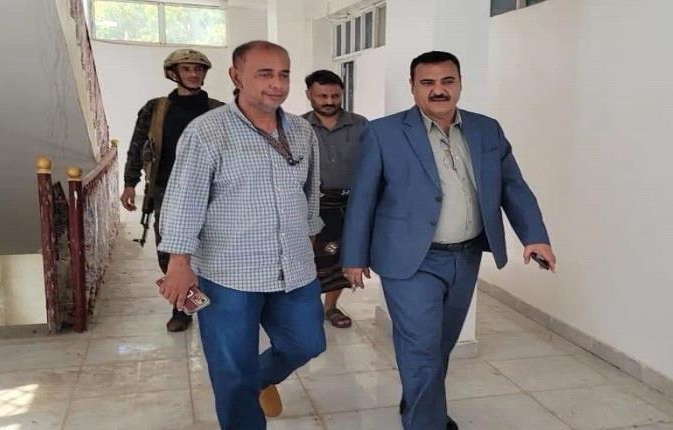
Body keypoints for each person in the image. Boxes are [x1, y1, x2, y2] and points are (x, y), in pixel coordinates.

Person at [341, 51, 557, 430]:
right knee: (421, 348)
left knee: (440, 344)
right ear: (412, 87)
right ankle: (427, 422)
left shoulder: (486, 129)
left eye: (447, 81)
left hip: (466, 256)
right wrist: (354, 256)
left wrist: (534, 236)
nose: (438, 90)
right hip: (410, 260)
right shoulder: (383, 133)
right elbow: (363, 198)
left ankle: (420, 406)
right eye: (427, 82)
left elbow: (513, 186)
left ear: (459, 83)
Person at [156, 41, 326, 430]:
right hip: (228, 274)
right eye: (265, 74)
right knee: (232, 370)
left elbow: (310, 193)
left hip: (294, 269)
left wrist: (310, 238)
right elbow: (184, 199)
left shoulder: (302, 131)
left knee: (308, 343)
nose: (277, 84)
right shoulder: (207, 131)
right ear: (236, 76)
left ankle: (259, 380)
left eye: (284, 74)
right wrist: (179, 263)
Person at [119, 48, 223, 332]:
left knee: (214, 250)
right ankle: (183, 308)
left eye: (198, 69)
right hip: (167, 191)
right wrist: (130, 183)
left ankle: (219, 307)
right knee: (170, 253)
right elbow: (138, 146)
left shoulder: (219, 110)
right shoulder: (156, 109)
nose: (194, 74)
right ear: (173, 73)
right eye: (187, 69)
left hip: (213, 192)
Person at [302, 70, 368, 329]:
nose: (329, 101)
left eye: (335, 96)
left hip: (350, 205)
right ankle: (307, 308)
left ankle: (330, 307)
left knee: (340, 256)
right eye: (322, 96)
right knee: (309, 258)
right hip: (311, 205)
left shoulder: (360, 125)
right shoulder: (297, 126)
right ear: (309, 95)